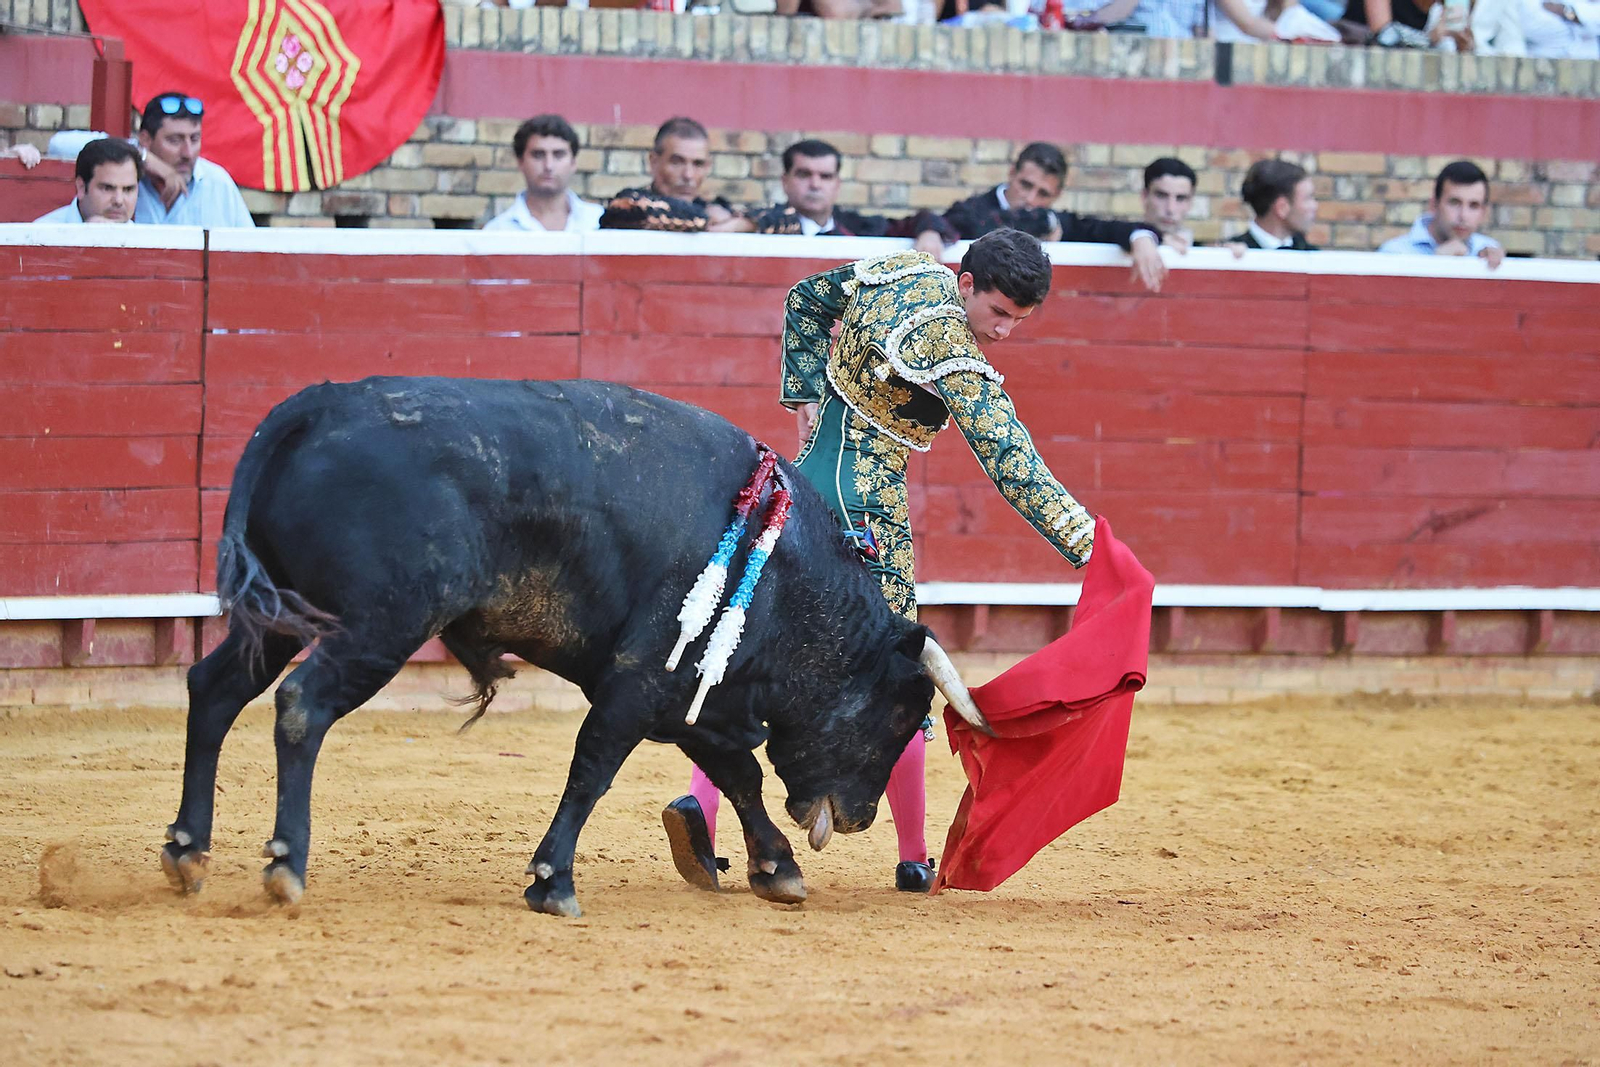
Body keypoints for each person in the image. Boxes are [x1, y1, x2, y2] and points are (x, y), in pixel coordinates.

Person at [662, 229, 1097, 895]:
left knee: (749, 656)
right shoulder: (948, 346)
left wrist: (806, 393)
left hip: (796, 490)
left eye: (1018, 319)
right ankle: (914, 856)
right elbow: (1010, 460)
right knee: (902, 674)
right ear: (967, 284)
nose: (1003, 331)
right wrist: (1086, 541)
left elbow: (805, 300)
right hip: (867, 512)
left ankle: (705, 817)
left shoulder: (899, 270)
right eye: (997, 312)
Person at [942, 142, 1171, 292]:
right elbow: (942, 224)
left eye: (1043, 193)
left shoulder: (1057, 221)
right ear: (1012, 173)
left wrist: (1141, 237)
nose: (1030, 199)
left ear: (1057, 194)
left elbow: (1105, 229)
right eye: (1025, 185)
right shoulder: (972, 211)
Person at [748, 138, 958, 255]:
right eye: (804, 174)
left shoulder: (859, 227)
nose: (815, 184)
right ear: (785, 181)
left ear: (837, 184)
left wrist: (929, 233)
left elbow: (920, 221)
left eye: (825, 176)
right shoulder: (765, 221)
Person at [598, 117, 754, 233]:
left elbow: (768, 217)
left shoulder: (716, 209)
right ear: (654, 161)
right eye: (677, 162)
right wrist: (711, 221)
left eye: (698, 164)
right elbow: (635, 211)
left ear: (708, 167)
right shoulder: (629, 203)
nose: (688, 175)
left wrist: (742, 224)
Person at [134, 92, 255, 227]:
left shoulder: (218, 183)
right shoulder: (125, 177)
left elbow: (251, 240)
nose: (188, 153)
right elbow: (114, 145)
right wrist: (143, 158)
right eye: (175, 140)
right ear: (145, 139)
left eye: (194, 139)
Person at [484, 114, 602, 232]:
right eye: (538, 155)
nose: (548, 166)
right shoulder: (497, 230)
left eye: (558, 155)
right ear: (520, 162)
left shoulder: (598, 222)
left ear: (573, 162)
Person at [1377, 160, 1505, 267]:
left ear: (1483, 212)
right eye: (1454, 203)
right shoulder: (1394, 253)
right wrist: (1436, 265)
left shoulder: (1488, 250)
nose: (1463, 216)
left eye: (1473, 206)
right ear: (1434, 204)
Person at [33, 137, 141, 224]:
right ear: (81, 187)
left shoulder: (143, 239)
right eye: (107, 188)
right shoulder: (41, 234)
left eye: (128, 190)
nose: (118, 200)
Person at [1229, 159, 1319, 250]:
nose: (1315, 206)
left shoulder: (1312, 255)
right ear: (1282, 208)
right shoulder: (1229, 253)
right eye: (1308, 198)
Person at [1140, 157, 1197, 247]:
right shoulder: (1122, 239)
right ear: (1144, 196)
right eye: (1161, 196)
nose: (1170, 209)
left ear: (1190, 202)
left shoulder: (1207, 252)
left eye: (1180, 198)